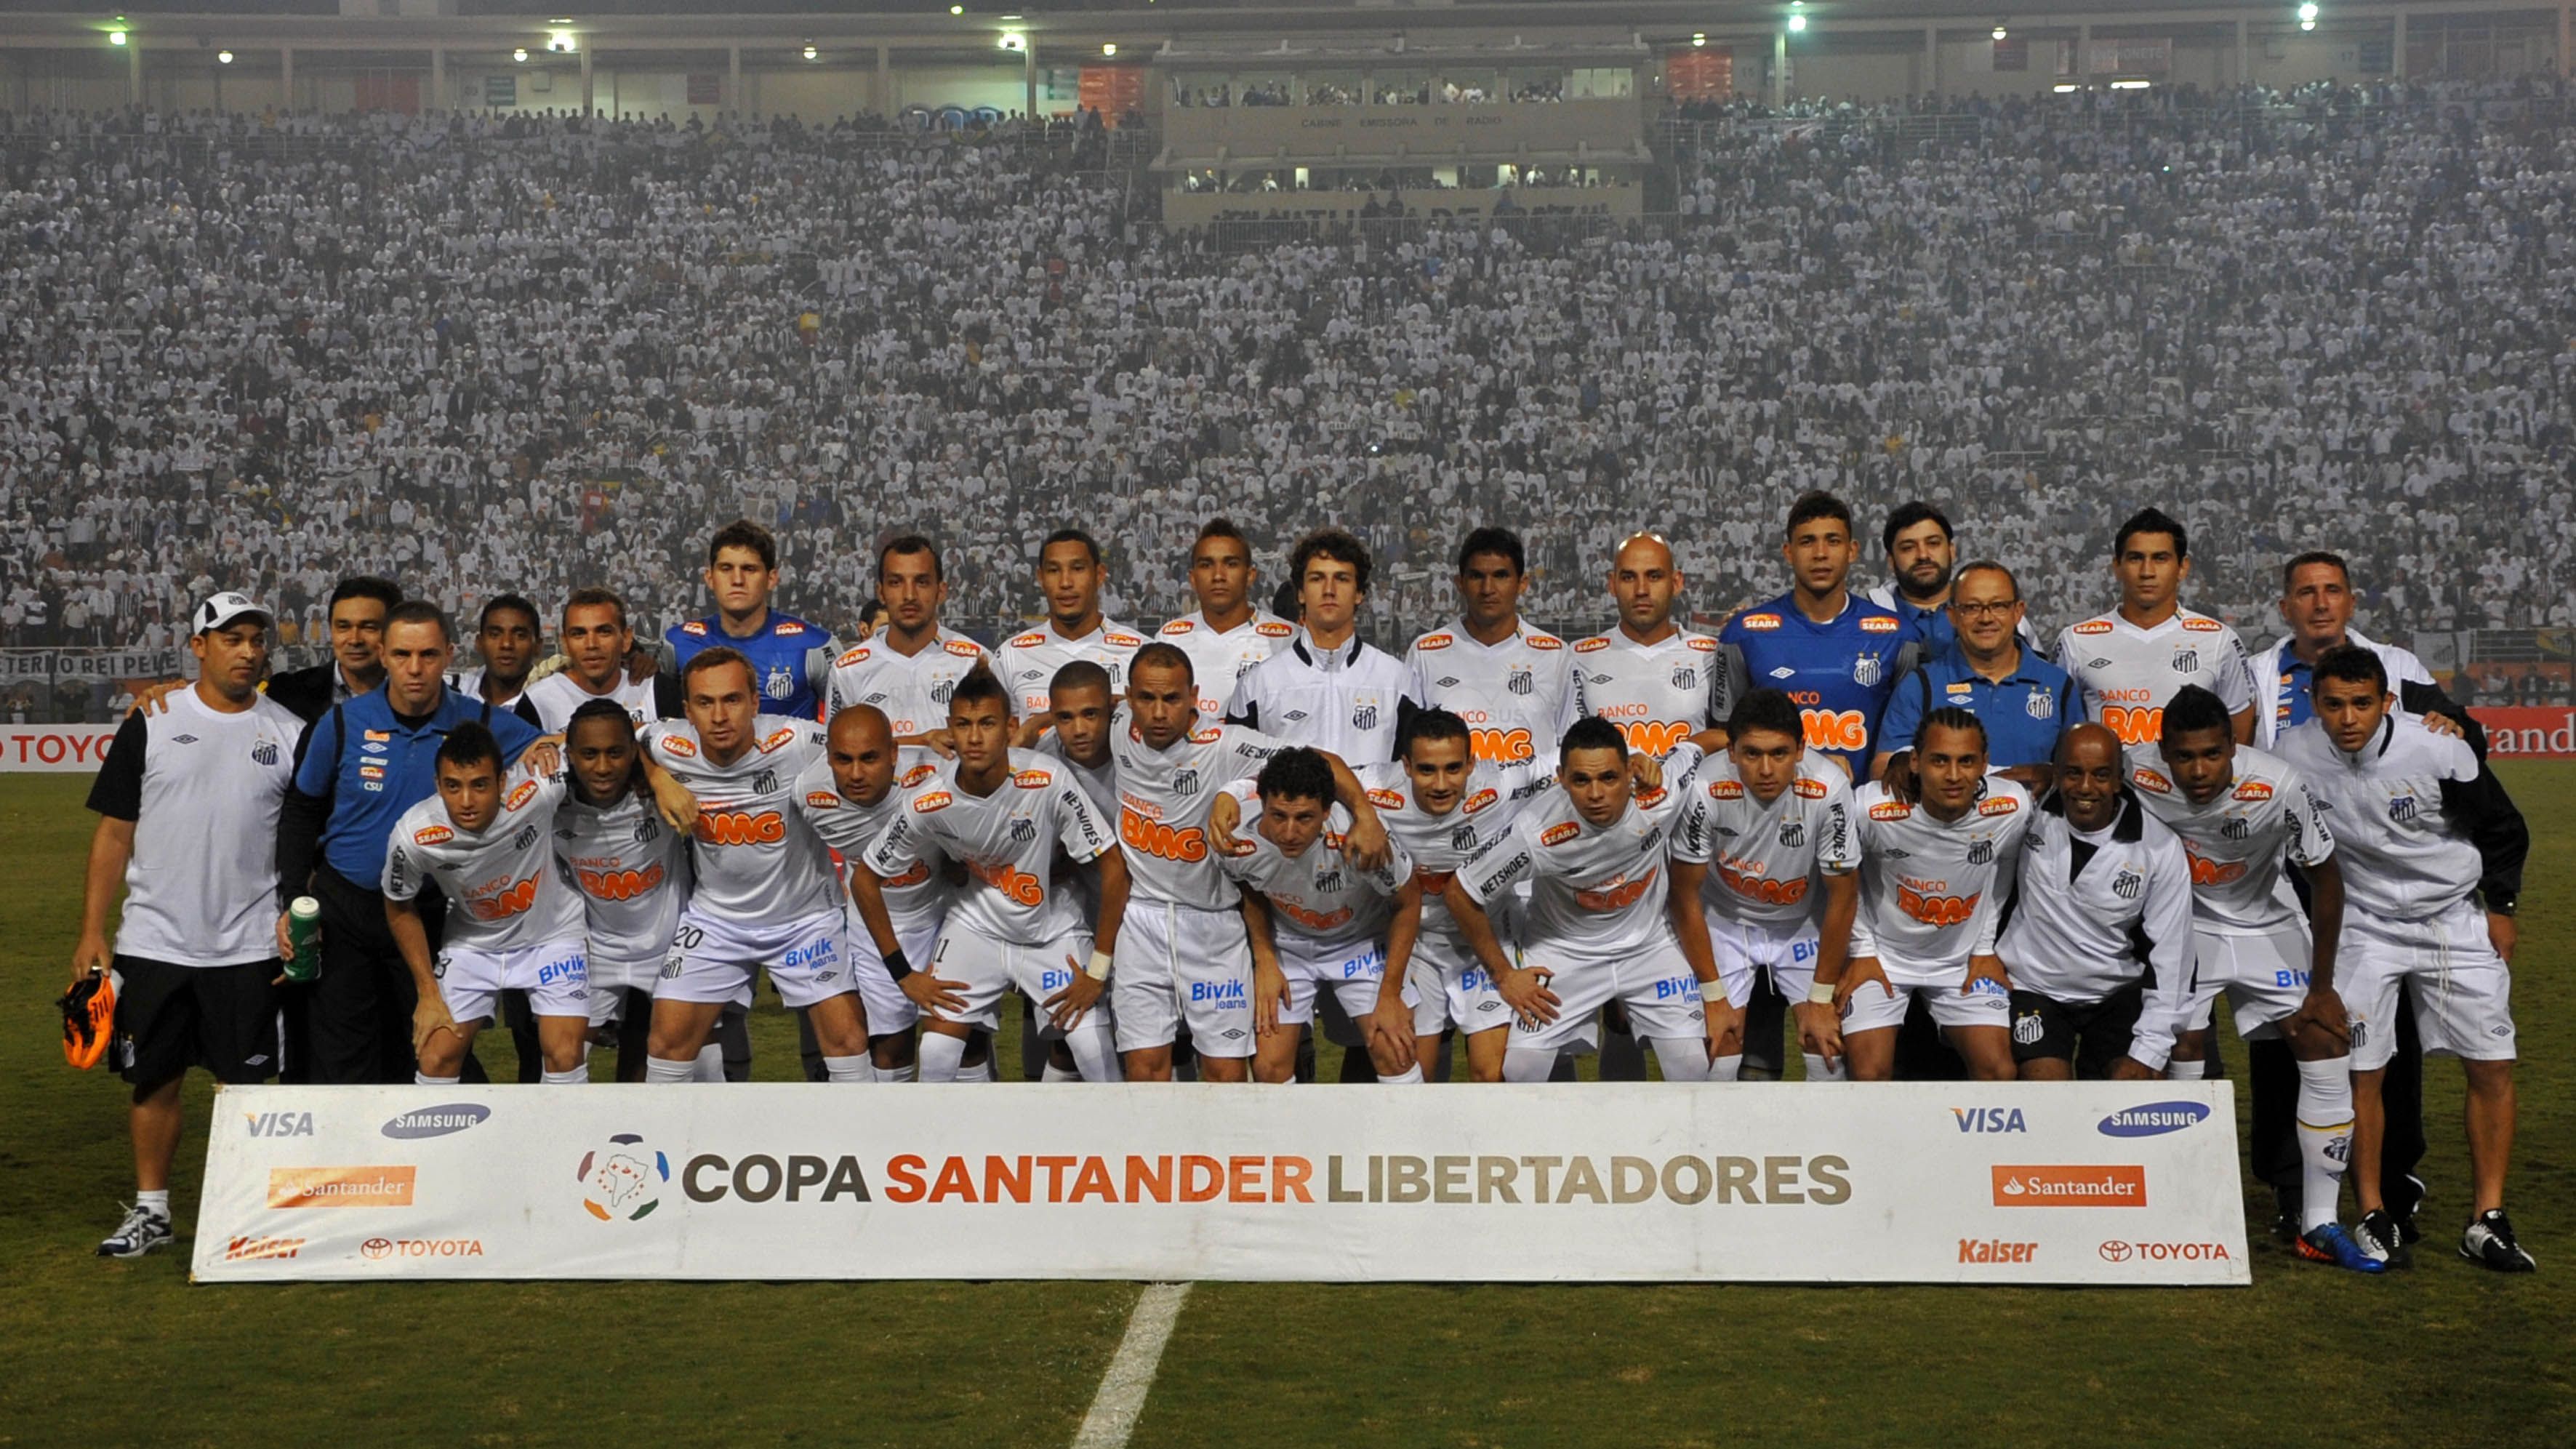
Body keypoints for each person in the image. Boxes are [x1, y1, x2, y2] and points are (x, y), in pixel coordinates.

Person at [2276, 647, 2532, 1272]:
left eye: (2361, 703)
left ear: (2387, 701)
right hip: (2364, 924)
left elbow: (2502, 826)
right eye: (2333, 704)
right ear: (2315, 703)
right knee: (2360, 1071)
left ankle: (2486, 1218)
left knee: (2491, 1064)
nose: (2347, 717)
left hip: (2451, 917)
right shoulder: (2291, 755)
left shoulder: (2436, 747)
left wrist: (2499, 905)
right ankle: (2372, 1211)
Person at [76, 593, 305, 1259]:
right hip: (153, 939)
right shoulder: (152, 717)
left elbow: (300, 838)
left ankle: (244, 1213)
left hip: (249, 943)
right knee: (155, 1078)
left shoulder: (288, 731)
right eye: (231, 638)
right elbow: (114, 834)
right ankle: (152, 1211)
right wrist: (93, 931)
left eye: (257, 639)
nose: (248, 650)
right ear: (198, 646)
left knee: (244, 1088)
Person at [2127, 685, 2376, 1269]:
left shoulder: (2279, 784)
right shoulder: (2132, 769)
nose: (2198, 769)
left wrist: (2322, 985)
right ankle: (2185, 1212)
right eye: (2183, 756)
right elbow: (2069, 765)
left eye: (2212, 754)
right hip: (2186, 928)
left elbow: (2326, 877)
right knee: (2180, 1047)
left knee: (2324, 1040)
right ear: (2161, 753)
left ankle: (2318, 1221)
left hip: (2266, 920)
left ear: (2233, 746)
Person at [275, 601, 547, 1084]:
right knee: (343, 1063)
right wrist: (294, 898)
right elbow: (300, 811)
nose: (415, 668)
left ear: (449, 654)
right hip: (345, 913)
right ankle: (361, 1161)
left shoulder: (481, 723)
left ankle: (443, 1156)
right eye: (402, 654)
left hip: (430, 913)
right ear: (382, 654)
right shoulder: (341, 724)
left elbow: (557, 747)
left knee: (435, 1050)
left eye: (427, 654)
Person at [1108, 642, 1390, 1082]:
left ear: (1194, 696)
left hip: (1214, 924)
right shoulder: (1118, 723)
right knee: (1143, 1071)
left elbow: (1320, 763)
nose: (1158, 712)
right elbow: (1085, 705)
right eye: (1146, 698)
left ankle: (1223, 1153)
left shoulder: (1227, 744)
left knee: (1226, 1075)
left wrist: (1366, 815)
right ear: (1129, 699)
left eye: (1172, 699)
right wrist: (1027, 732)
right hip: (1142, 921)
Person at [853, 665, 1127, 1083]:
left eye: (987, 724)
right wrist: (904, 974)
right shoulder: (929, 802)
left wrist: (1098, 971)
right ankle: (944, 1149)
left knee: (1094, 1052)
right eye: (963, 725)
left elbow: (1111, 865)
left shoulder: (1048, 779)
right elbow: (864, 879)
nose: (975, 738)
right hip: (975, 928)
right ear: (950, 729)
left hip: (1051, 929)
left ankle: (1105, 1146)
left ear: (1010, 727)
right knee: (938, 1053)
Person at [1447, 718, 1728, 1083]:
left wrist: (1821, 762)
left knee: (1694, 1067)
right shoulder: (1537, 834)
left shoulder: (1662, 792)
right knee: (1520, 1072)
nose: (1596, 794)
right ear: (1562, 777)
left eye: (1609, 778)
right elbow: (1459, 891)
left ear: (1630, 771)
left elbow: (1704, 743)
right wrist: (1505, 977)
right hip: (1564, 951)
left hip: (1649, 946)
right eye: (1581, 780)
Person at [636, 648, 871, 1085]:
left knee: (849, 1042)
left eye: (732, 700)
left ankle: (861, 1146)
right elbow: (617, 738)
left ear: (756, 702)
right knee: (665, 1044)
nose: (720, 715)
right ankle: (666, 1150)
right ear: (687, 711)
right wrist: (655, 777)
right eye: (705, 703)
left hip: (805, 920)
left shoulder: (798, 741)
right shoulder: (668, 745)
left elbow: (867, 744)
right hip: (717, 922)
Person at [381, 723, 591, 1088]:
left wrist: (549, 743)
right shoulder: (414, 835)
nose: (465, 801)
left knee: (565, 1054)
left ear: (503, 780)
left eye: (479, 785)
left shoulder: (539, 788)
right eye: (453, 786)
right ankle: (438, 1146)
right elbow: (399, 905)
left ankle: (564, 1145)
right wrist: (427, 992)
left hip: (552, 936)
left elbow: (597, 734)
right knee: (435, 1057)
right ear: (437, 785)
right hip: (472, 945)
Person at [1668, 688, 1860, 1082]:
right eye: (1752, 754)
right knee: (1716, 1049)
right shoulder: (1703, 787)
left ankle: (1819, 1142)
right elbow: (1684, 894)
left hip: (1802, 923)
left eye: (1780, 753)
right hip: (1723, 920)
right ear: (1732, 752)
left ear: (1802, 750)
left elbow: (1843, 896)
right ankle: (1716, 1144)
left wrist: (1821, 1000)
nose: (1767, 769)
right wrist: (1713, 997)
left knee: (1827, 1048)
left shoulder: (1829, 787)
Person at [1998, 725, 2196, 1085]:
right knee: (2045, 1089)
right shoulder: (2028, 812)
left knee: (2130, 1089)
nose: (2086, 787)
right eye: (2074, 773)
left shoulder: (2159, 847)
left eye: (2101, 775)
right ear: (2056, 774)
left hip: (2116, 994)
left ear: (2119, 781)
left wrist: (2148, 1051)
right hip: (2034, 986)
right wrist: (1905, 763)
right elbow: (1962, 777)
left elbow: (2174, 958)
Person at [1839, 709, 2026, 1083]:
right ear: (1915, 761)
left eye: (1966, 762)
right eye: (1940, 761)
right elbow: (1844, 878)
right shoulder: (1870, 807)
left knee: (1999, 1072)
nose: (1954, 775)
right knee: (1868, 1075)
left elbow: (2005, 865)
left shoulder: (2011, 807)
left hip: (1960, 963)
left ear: (1985, 765)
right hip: (1883, 957)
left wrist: (1985, 946)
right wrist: (1861, 951)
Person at [1219, 747, 1424, 1085]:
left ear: (1328, 811)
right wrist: (1265, 959)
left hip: (1359, 943)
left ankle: (1406, 1139)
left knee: (1395, 1052)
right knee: (1268, 1069)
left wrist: (1390, 994)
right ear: (1262, 803)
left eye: (1304, 818)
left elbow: (1409, 900)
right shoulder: (1237, 835)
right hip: (1289, 946)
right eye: (1278, 816)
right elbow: (1249, 886)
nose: (1288, 832)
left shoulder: (1362, 839)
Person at [554, 699, 713, 1083]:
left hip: (669, 948)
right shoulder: (551, 803)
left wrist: (657, 776)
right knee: (560, 1058)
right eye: (589, 755)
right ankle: (566, 1141)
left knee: (703, 1069)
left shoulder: (663, 792)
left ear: (634, 754)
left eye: (616, 753)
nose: (604, 767)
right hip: (595, 951)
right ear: (571, 756)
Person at [1715, 491, 1914, 782]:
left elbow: (1911, 739)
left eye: (1833, 541)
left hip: (1863, 815)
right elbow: (1722, 737)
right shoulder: (1742, 634)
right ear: (1788, 552)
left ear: (1852, 550)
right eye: (1807, 541)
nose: (1820, 553)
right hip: (1770, 817)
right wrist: (1811, 765)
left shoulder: (1899, 637)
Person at [794, 703, 944, 1083]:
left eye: (870, 758)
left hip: (945, 918)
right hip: (873, 928)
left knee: (951, 1043)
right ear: (827, 757)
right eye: (843, 760)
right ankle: (890, 1139)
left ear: (894, 753)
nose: (856, 773)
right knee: (891, 1051)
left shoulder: (936, 773)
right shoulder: (807, 794)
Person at [2057, 507, 2254, 749]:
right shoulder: (2076, 641)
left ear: (2183, 567)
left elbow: (2240, 738)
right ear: (2117, 567)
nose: (2147, 572)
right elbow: (2060, 732)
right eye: (2136, 558)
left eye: (2160, 558)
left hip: (2187, 788)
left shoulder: (2220, 641)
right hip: (2108, 787)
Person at [1874, 561, 2076, 792]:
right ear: (1952, 615)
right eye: (1971, 607)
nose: (1986, 618)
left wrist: (2053, 774)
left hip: (2038, 827)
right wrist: (1903, 768)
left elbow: (2083, 767)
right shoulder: (1919, 686)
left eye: (1998, 606)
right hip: (1946, 828)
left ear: (2018, 611)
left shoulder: (2059, 685)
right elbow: (1884, 769)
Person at [2250, 550, 2477, 752]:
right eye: (2307, 592)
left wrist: (2453, 725)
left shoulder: (2398, 666)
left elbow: (2460, 732)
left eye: (2332, 591)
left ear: (2351, 604)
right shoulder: (2251, 676)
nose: (2321, 604)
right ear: (2285, 609)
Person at [1227, 527, 1420, 762]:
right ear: (1301, 593)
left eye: (1342, 578)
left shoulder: (1398, 681)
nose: (1329, 591)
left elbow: (1414, 778)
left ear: (1359, 593)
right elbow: (1237, 777)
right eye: (1317, 579)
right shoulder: (1257, 685)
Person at [1405, 526, 1576, 767]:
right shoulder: (1425, 652)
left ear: (1522, 584)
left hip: (1534, 804)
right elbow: (1408, 746)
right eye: (1477, 576)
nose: (1488, 589)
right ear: (1460, 583)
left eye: (1501, 576)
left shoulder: (1555, 654)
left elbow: (1573, 748)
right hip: (1453, 804)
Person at [824, 534, 993, 750]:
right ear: (881, 593)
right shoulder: (848, 670)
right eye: (896, 582)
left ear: (941, 591)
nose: (909, 595)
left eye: (921, 582)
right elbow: (834, 753)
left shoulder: (975, 662)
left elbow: (998, 748)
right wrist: (921, 741)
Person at [662, 520, 838, 721]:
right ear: (710, 578)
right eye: (726, 568)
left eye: (750, 569)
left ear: (772, 578)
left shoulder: (814, 645)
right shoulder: (676, 644)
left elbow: (848, 723)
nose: (737, 580)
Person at [1570, 532, 1725, 759]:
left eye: (1654, 577)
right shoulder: (1577, 657)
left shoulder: (1711, 655)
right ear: (1612, 585)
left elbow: (1731, 744)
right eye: (1628, 578)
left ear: (1676, 583)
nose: (1641, 590)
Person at [995, 528, 1144, 726]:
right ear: (1040, 578)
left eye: (1078, 568)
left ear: (1099, 575)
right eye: (1054, 571)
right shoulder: (1010, 656)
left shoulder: (1139, 652)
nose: (1065, 583)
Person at [1157, 518, 1294, 722]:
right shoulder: (1169, 639)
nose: (1218, 576)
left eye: (1231, 564)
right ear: (1193, 578)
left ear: (1250, 575)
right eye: (1206, 565)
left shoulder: (1288, 640)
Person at [262, 576, 401, 725]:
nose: (354, 640)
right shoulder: (288, 694)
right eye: (343, 627)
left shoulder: (422, 698)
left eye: (369, 627)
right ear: (331, 629)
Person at [524, 588, 659, 732]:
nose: (591, 644)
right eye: (579, 634)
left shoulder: (655, 691)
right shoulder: (536, 701)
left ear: (626, 638)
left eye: (604, 632)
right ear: (565, 644)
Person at [448, 594, 544, 722]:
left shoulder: (555, 704)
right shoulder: (451, 693)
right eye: (495, 635)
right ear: (479, 643)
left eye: (520, 635)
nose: (506, 644)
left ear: (538, 646)